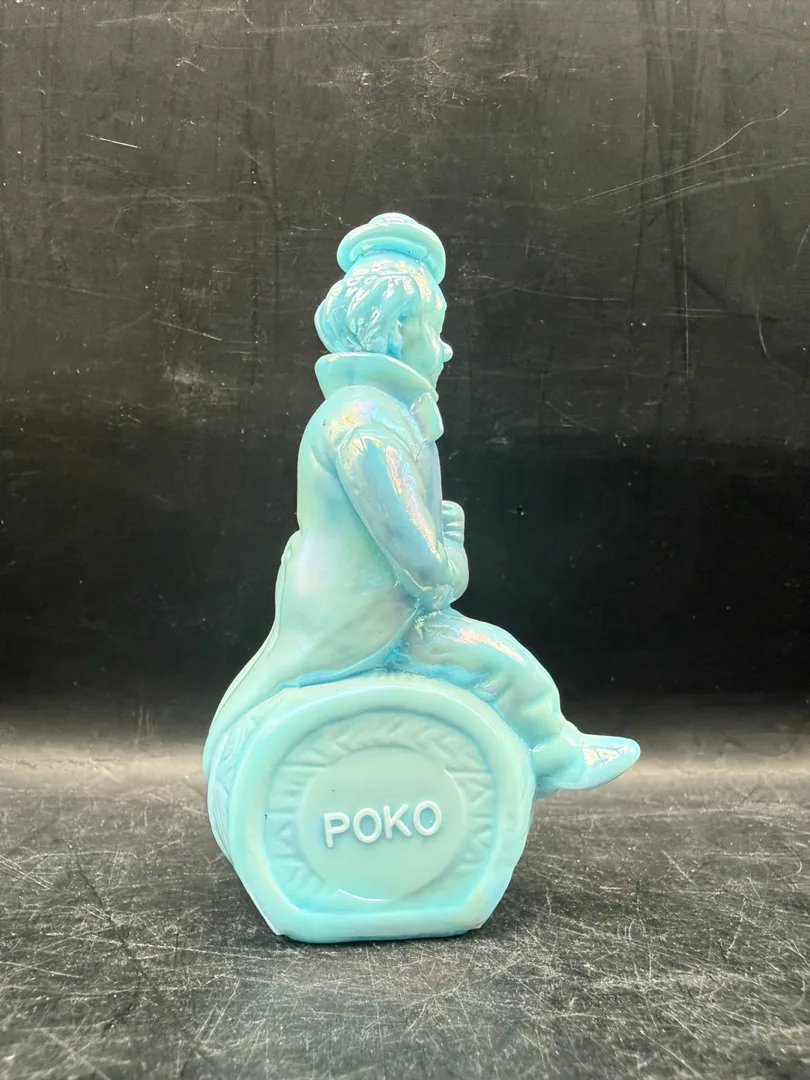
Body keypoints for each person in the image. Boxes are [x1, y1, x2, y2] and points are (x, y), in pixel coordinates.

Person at [204, 213, 639, 793]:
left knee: (499, 660)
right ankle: (554, 756)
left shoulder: (368, 413)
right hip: (365, 622)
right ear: (391, 332)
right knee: (505, 667)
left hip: (349, 610)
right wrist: (453, 550)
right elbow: (427, 572)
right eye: (433, 330)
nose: (446, 349)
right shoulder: (368, 425)